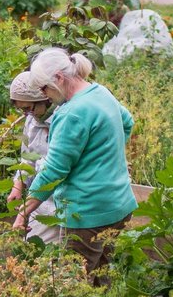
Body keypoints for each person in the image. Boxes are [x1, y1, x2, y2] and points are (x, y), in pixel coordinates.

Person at [18, 48, 135, 279]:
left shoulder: (71, 113)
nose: (45, 96)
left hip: (87, 215)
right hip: (118, 205)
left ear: (59, 79)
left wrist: (24, 213)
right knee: (104, 281)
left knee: (71, 287)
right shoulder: (101, 92)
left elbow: (54, 171)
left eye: (44, 88)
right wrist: (104, 155)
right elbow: (127, 123)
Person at [6, 72, 62, 245]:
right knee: (34, 252)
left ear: (46, 100)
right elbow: (28, 158)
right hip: (40, 204)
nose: (25, 114)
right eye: (21, 109)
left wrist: (24, 212)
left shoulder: (64, 120)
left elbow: (54, 169)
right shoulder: (31, 120)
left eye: (28, 108)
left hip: (65, 202)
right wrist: (17, 185)